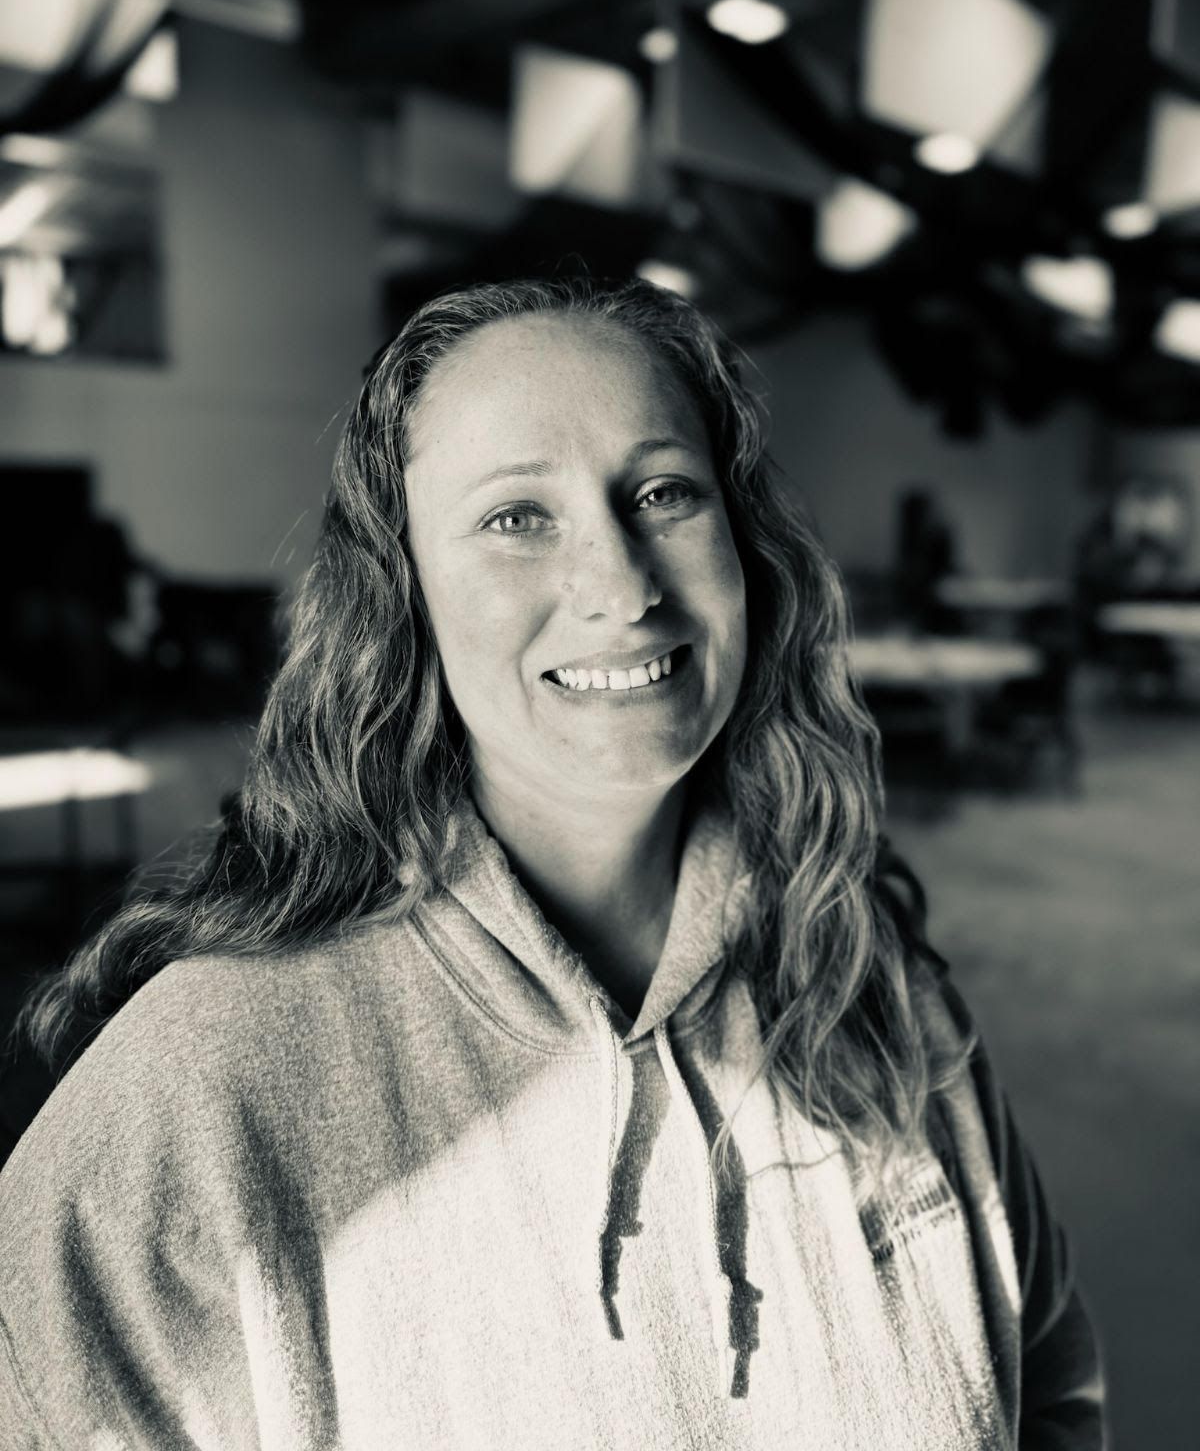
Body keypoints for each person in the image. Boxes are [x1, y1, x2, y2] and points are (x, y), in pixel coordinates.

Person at [0, 275, 1104, 1449]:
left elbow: (1049, 1392)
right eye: (518, 516)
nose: (622, 587)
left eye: (663, 493)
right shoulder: (204, 1082)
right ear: (403, 594)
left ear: (748, 548)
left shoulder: (871, 988)